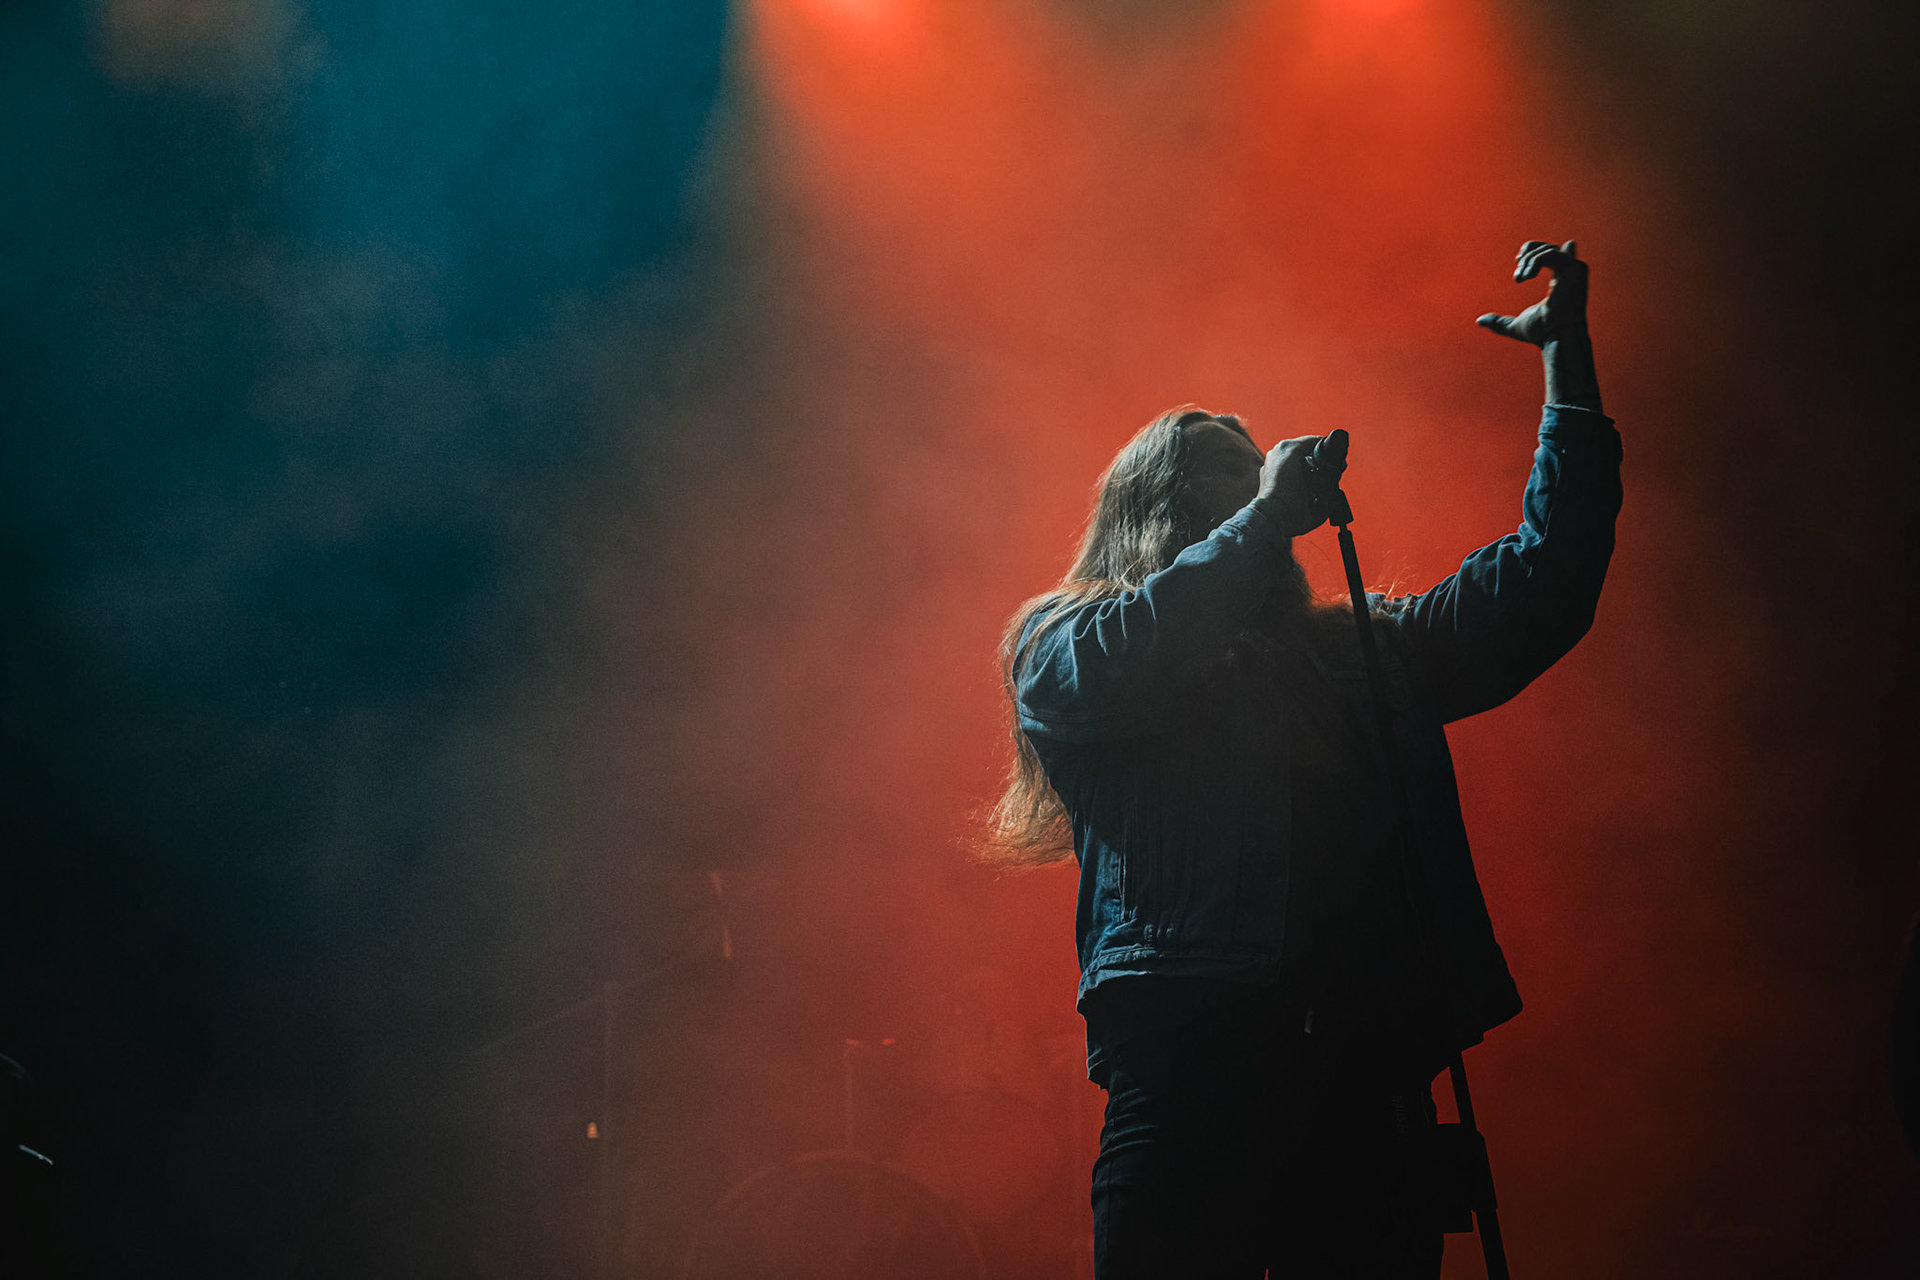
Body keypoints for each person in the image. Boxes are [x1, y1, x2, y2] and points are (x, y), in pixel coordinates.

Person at [986, 242, 1622, 1278]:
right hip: (1193, 1081)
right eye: (1225, 464)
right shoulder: (1069, 636)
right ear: (1155, 501)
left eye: (1260, 467)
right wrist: (1266, 517)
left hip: (1367, 1081)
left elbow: (1540, 591)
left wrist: (1569, 371)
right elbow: (1125, 661)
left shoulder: (1358, 648)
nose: (1259, 474)